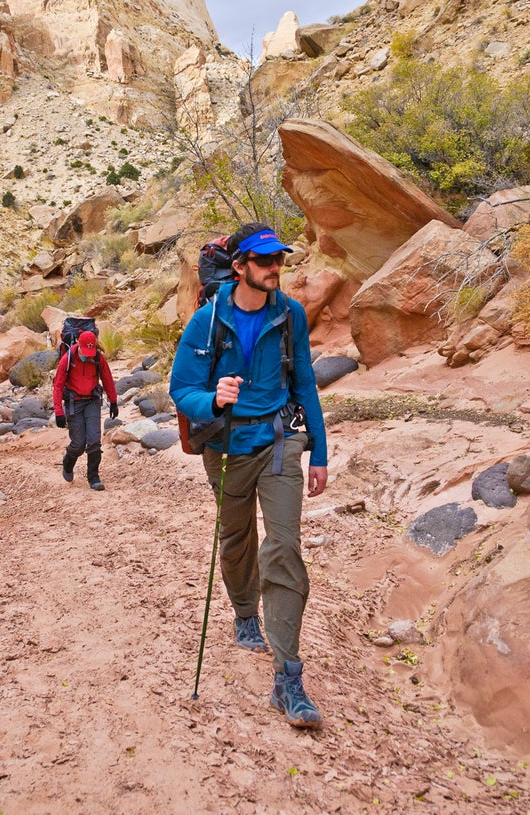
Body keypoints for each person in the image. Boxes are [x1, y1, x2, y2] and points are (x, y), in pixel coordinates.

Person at [169, 222, 328, 727]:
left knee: (282, 546)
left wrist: (320, 451)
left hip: (281, 442)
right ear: (239, 267)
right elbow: (181, 389)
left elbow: (305, 381)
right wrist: (213, 398)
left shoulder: (291, 314)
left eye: (279, 259)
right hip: (227, 447)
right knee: (237, 538)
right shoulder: (207, 320)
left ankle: (288, 677)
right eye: (264, 261)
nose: (275, 268)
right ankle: (243, 611)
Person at [53, 330, 119, 491]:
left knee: (94, 440)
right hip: (73, 403)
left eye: (91, 352)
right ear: (78, 344)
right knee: (78, 444)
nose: (88, 355)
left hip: (92, 401)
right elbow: (58, 385)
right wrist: (58, 412)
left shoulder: (98, 358)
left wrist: (113, 401)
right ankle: (68, 462)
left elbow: (107, 379)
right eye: (85, 352)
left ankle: (93, 477)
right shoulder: (67, 359)